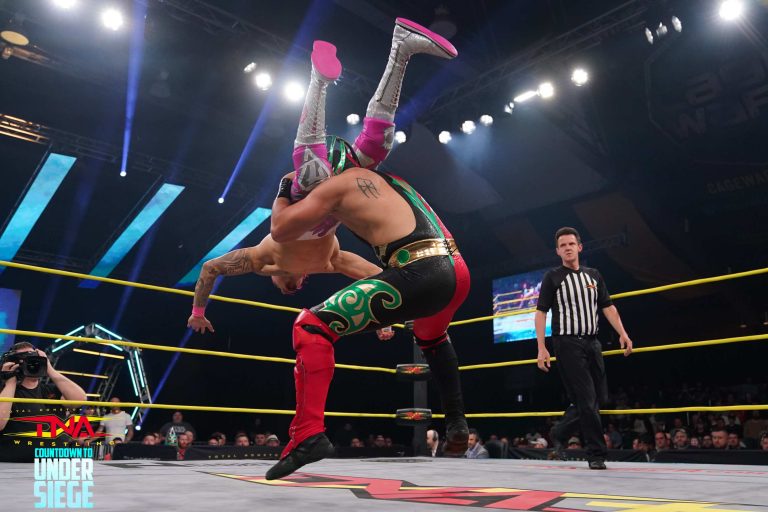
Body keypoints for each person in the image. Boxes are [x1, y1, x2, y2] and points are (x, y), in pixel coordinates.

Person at [535, 227, 633, 470]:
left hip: (593, 342)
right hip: (567, 343)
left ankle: (560, 431)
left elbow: (608, 306)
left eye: (571, 244)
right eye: (563, 245)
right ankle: (596, 454)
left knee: (600, 398)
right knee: (588, 399)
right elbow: (541, 312)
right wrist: (541, 347)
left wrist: (623, 333)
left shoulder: (594, 275)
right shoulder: (552, 277)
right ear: (558, 251)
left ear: (579, 247)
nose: (567, 248)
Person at [0, 342, 87, 453]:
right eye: (23, 359)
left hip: (53, 460)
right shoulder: (5, 391)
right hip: (14, 461)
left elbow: (79, 400)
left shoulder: (52, 390)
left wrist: (49, 368)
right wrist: (10, 381)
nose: (30, 363)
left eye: (33, 358)